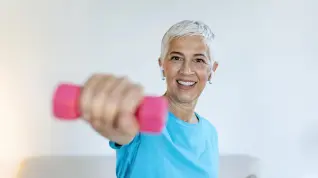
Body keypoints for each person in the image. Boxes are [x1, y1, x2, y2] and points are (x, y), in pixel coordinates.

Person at [80, 20, 219, 178]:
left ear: (212, 70)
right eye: (176, 58)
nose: (186, 70)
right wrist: (112, 118)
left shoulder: (210, 133)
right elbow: (123, 132)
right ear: (162, 65)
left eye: (199, 60)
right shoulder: (138, 116)